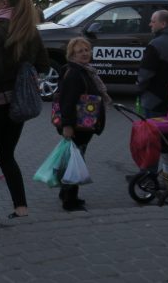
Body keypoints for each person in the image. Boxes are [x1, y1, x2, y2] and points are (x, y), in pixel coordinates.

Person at [0, 0, 49, 220]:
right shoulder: (29, 32)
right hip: (17, 105)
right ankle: (21, 207)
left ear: (3, 4)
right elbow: (44, 66)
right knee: (7, 155)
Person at [56, 37, 110, 211]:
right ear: (72, 55)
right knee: (75, 161)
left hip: (83, 125)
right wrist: (67, 125)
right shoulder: (74, 74)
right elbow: (67, 102)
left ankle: (67, 193)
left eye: (87, 50)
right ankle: (69, 201)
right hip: (76, 126)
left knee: (75, 159)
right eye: (80, 51)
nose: (85, 53)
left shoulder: (85, 71)